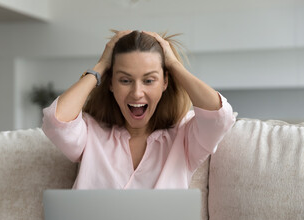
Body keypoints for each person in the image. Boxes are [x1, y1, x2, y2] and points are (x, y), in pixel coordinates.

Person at [42, 30, 235, 189]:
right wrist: (101, 66)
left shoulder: (184, 136)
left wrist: (174, 65)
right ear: (110, 83)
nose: (136, 93)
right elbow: (56, 121)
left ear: (165, 82)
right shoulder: (90, 132)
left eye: (149, 80)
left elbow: (219, 116)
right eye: (125, 80)